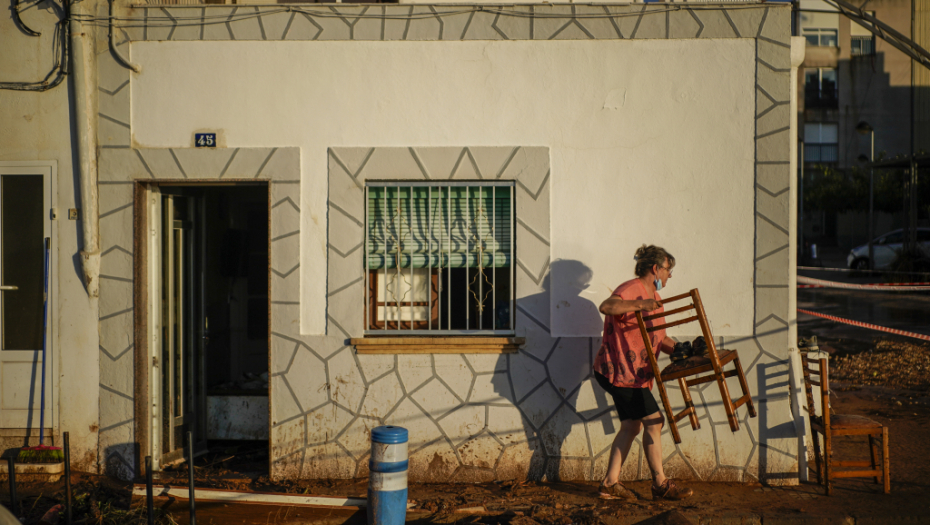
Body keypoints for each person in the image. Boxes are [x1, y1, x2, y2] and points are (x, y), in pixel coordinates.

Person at [592, 244, 692, 501]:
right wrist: (639, 305)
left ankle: (609, 484)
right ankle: (659, 483)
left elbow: (659, 338)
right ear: (656, 268)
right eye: (668, 270)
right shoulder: (632, 289)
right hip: (619, 373)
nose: (670, 275)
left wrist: (679, 348)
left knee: (631, 426)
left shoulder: (656, 299)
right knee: (654, 422)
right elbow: (606, 306)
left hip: (633, 375)